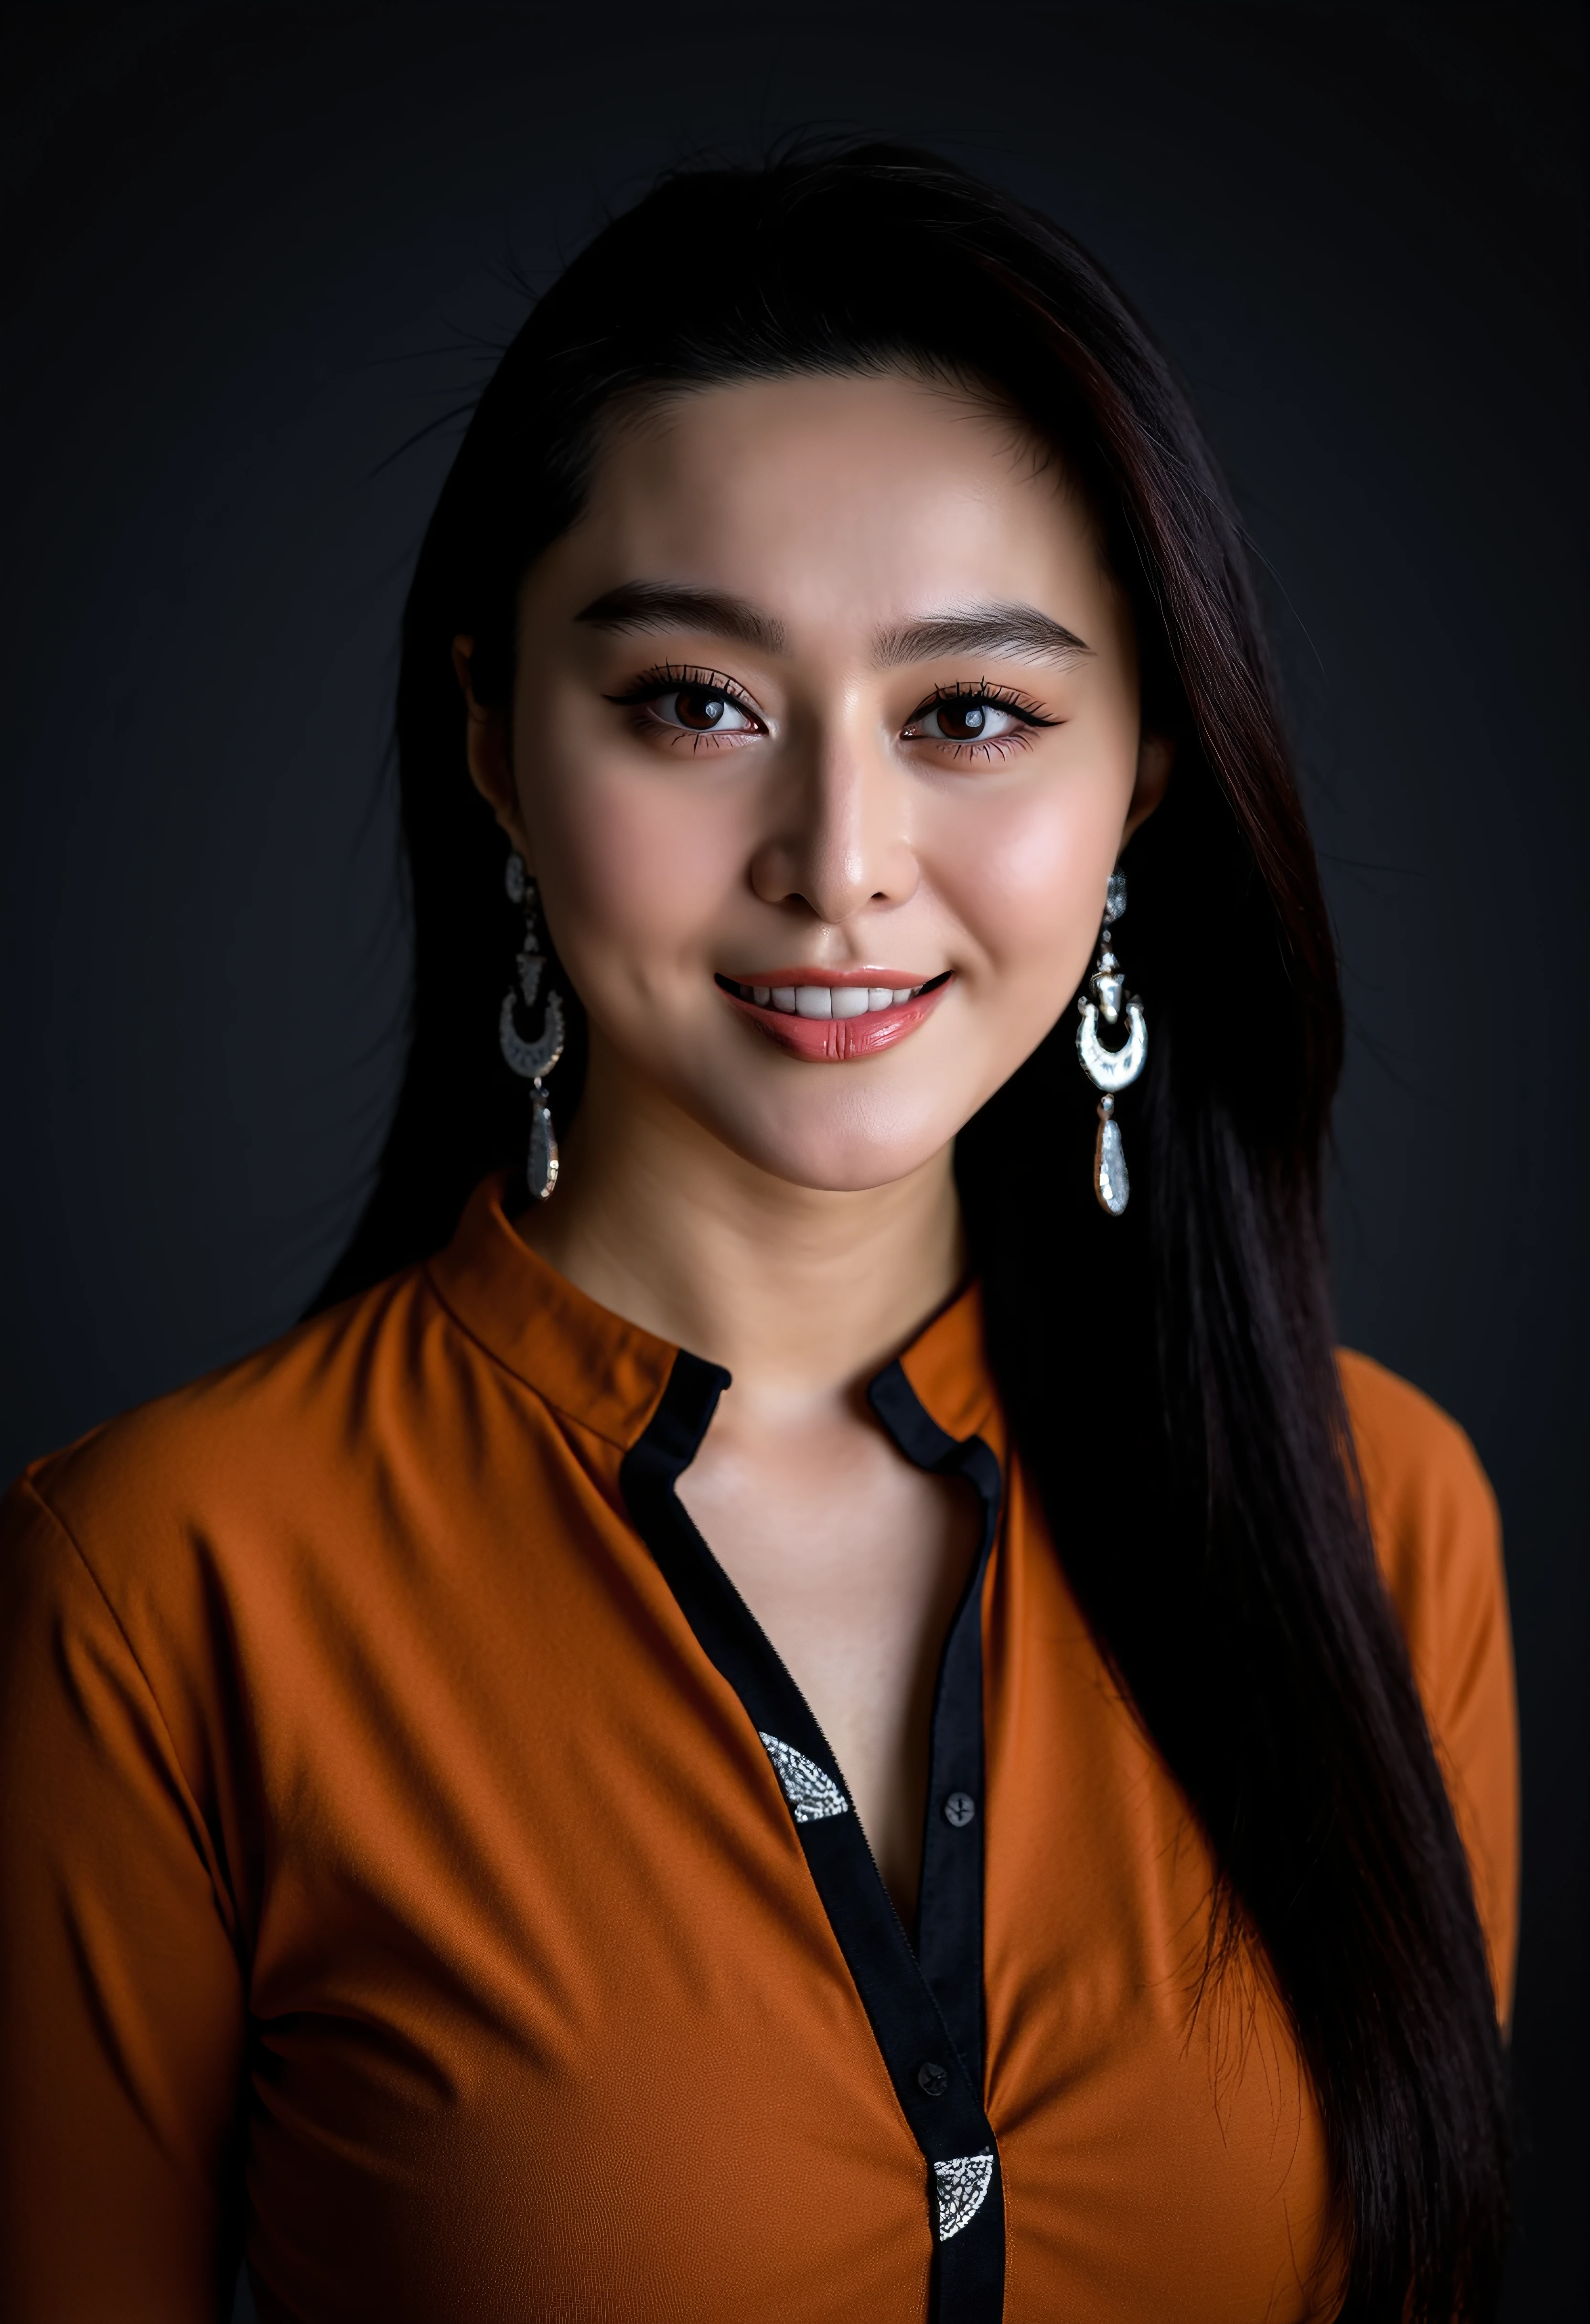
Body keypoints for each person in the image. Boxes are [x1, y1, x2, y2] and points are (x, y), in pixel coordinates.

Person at [0, 145, 1515, 2324]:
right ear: (493, 746)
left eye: (969, 715)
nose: (840, 858)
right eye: (695, 704)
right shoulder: (163, 1586)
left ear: (1146, 782)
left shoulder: (1383, 1518)